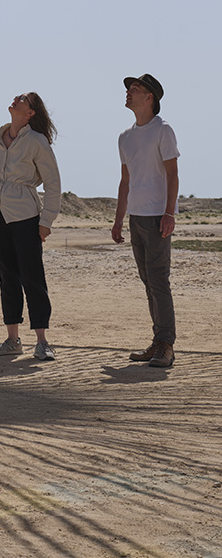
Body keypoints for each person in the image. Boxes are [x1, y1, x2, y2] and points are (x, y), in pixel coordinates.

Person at [0, 92, 61, 361]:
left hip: (25, 215)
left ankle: (42, 341)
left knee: (32, 277)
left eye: (22, 99)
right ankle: (12, 339)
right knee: (7, 277)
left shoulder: (37, 142)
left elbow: (53, 183)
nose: (15, 100)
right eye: (15, 98)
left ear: (31, 112)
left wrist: (46, 221)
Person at [111, 74, 179, 368]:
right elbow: (125, 181)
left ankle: (166, 344)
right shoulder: (125, 137)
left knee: (159, 280)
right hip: (136, 217)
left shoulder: (163, 131)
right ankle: (157, 341)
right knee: (148, 281)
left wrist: (169, 213)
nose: (128, 93)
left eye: (135, 89)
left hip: (156, 217)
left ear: (149, 97)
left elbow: (173, 174)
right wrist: (118, 220)